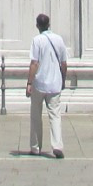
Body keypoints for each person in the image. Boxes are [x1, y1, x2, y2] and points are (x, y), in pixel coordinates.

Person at [26, 13, 69, 159]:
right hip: (55, 83)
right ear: (49, 24)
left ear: (37, 25)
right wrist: (63, 80)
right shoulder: (59, 39)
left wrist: (29, 83)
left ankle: (35, 147)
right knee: (55, 115)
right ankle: (57, 146)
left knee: (36, 115)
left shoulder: (37, 40)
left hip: (39, 82)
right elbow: (64, 63)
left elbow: (34, 63)